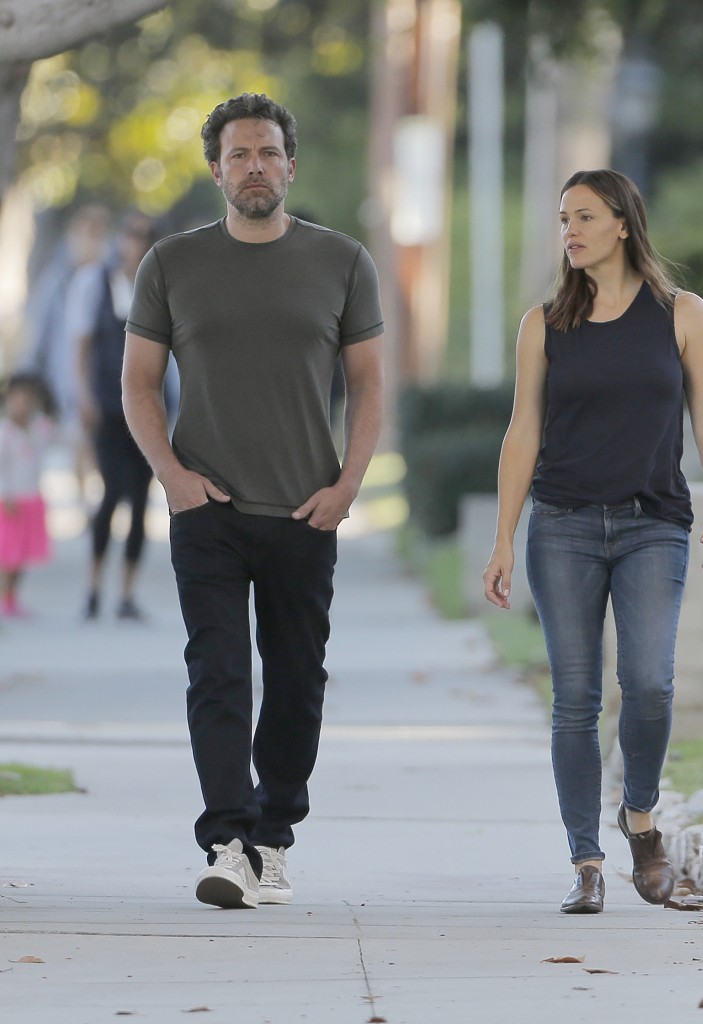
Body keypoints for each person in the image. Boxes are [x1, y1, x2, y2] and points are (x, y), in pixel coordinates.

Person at [121, 93, 384, 909]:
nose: (255, 167)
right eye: (238, 155)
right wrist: (173, 478)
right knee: (219, 673)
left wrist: (347, 486)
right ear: (216, 171)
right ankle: (228, 840)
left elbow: (370, 385)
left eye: (268, 152)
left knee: (299, 679)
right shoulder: (171, 263)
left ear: (290, 165)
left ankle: (275, 835)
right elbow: (137, 384)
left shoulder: (342, 261)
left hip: (306, 510)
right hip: (209, 511)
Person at [483, 169, 703, 915]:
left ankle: (642, 820)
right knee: (577, 699)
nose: (571, 231)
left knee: (651, 682)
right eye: (564, 219)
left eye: (585, 217)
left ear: (624, 223)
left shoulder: (681, 313)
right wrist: (502, 539)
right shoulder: (544, 325)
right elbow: (522, 431)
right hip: (562, 526)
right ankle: (586, 861)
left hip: (654, 520)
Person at [70, 212, 159, 620]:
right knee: (111, 494)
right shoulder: (96, 282)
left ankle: (125, 593)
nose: (135, 242)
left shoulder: (158, 283)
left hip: (150, 406)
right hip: (108, 402)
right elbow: (82, 343)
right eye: (130, 233)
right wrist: (83, 395)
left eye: (143, 236)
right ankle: (92, 586)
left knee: (140, 500)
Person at [19, 203, 111, 501]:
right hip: (65, 377)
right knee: (78, 441)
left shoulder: (111, 279)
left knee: (96, 443)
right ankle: (87, 504)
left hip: (104, 377)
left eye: (96, 234)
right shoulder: (56, 280)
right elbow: (40, 332)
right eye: (83, 233)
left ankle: (97, 503)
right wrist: (30, 375)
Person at [0, 373, 54, 617]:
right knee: (8, 556)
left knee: (22, 556)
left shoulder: (39, 428)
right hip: (10, 502)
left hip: (31, 498)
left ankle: (11, 599)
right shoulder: (5, 434)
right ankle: (3, 597)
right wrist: (6, 494)